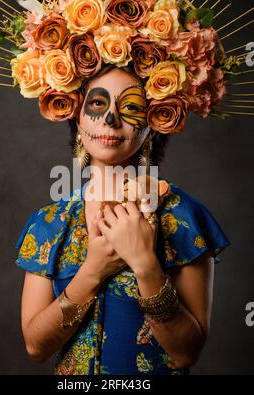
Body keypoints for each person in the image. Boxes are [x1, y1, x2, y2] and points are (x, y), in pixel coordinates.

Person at [14, 63, 230, 375]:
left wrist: (145, 263)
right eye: (98, 103)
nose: (110, 118)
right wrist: (93, 270)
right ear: (78, 115)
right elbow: (36, 347)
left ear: (153, 122)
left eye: (130, 106)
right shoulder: (48, 223)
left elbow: (187, 352)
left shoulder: (184, 218)